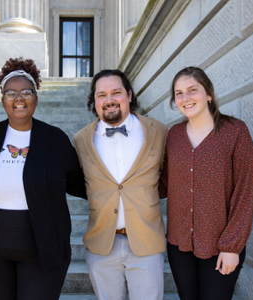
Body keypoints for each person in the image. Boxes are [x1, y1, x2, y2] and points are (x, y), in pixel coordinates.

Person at [0, 57, 87, 300]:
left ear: (36, 96)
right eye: (10, 93)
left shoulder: (55, 140)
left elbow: (80, 183)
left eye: (26, 92)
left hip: (44, 247)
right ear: (2, 99)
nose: (18, 98)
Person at [159, 67, 253, 300]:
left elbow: (244, 193)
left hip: (220, 245)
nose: (185, 98)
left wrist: (232, 247)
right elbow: (164, 184)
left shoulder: (235, 132)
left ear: (209, 94)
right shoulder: (174, 135)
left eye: (192, 90)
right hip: (179, 243)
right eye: (179, 93)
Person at [72, 69, 168, 300]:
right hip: (102, 243)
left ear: (130, 95)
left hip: (146, 241)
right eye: (101, 95)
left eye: (116, 92)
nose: (109, 100)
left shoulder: (158, 132)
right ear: (94, 101)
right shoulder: (81, 140)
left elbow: (167, 176)